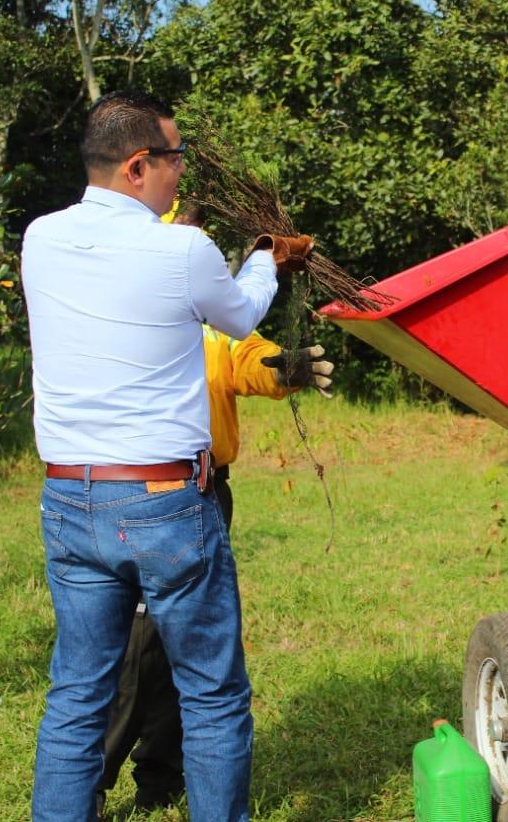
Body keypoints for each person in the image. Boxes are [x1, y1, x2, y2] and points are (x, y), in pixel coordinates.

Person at [22, 89, 312, 822]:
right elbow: (242, 315)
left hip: (70, 499)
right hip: (164, 503)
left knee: (78, 692)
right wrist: (266, 260)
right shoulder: (181, 247)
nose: (182, 173)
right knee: (211, 692)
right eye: (176, 158)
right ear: (138, 165)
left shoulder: (40, 238)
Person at [95, 204, 334, 816]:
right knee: (137, 645)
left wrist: (286, 370)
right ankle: (90, 780)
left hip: (203, 493)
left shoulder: (211, 321)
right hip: (133, 493)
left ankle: (163, 774)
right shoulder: (114, 309)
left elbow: (248, 356)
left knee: (187, 642)